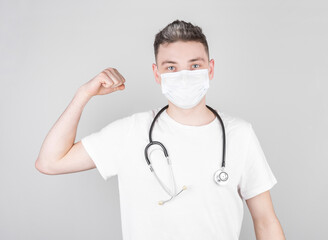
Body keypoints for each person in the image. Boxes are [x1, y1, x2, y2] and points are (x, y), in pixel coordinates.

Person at [35, 19, 286, 240]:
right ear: (157, 74)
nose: (184, 76)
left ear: (210, 69)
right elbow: (50, 162)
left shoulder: (239, 134)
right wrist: (83, 94)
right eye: (171, 68)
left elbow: (265, 221)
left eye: (195, 65)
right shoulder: (130, 132)